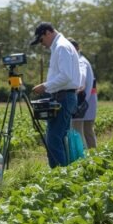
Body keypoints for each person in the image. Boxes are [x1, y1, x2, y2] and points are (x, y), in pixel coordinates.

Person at [30, 22, 84, 167]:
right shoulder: (60, 46)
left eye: (41, 40)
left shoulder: (61, 47)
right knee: (57, 138)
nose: (42, 44)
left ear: (48, 32)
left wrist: (45, 86)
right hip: (62, 97)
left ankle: (60, 175)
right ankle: (63, 173)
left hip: (64, 97)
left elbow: (65, 76)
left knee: (54, 138)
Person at [70, 40, 98, 149]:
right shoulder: (80, 60)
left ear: (76, 48)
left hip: (85, 103)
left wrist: (78, 86)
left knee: (82, 132)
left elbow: (82, 75)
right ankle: (93, 156)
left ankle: (88, 158)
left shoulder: (81, 61)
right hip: (87, 103)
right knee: (87, 131)